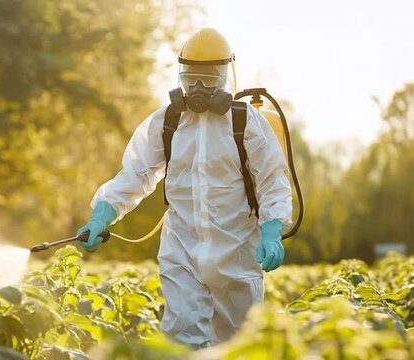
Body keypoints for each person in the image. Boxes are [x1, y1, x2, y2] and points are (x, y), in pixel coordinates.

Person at [77, 27, 293, 348]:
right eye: (191, 78)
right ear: (180, 75)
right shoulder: (166, 122)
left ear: (227, 76)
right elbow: (134, 174)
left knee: (238, 347)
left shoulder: (246, 123)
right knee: (182, 338)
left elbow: (272, 181)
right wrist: (101, 216)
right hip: (182, 251)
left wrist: (273, 231)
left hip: (236, 252)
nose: (198, 88)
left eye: (209, 80)